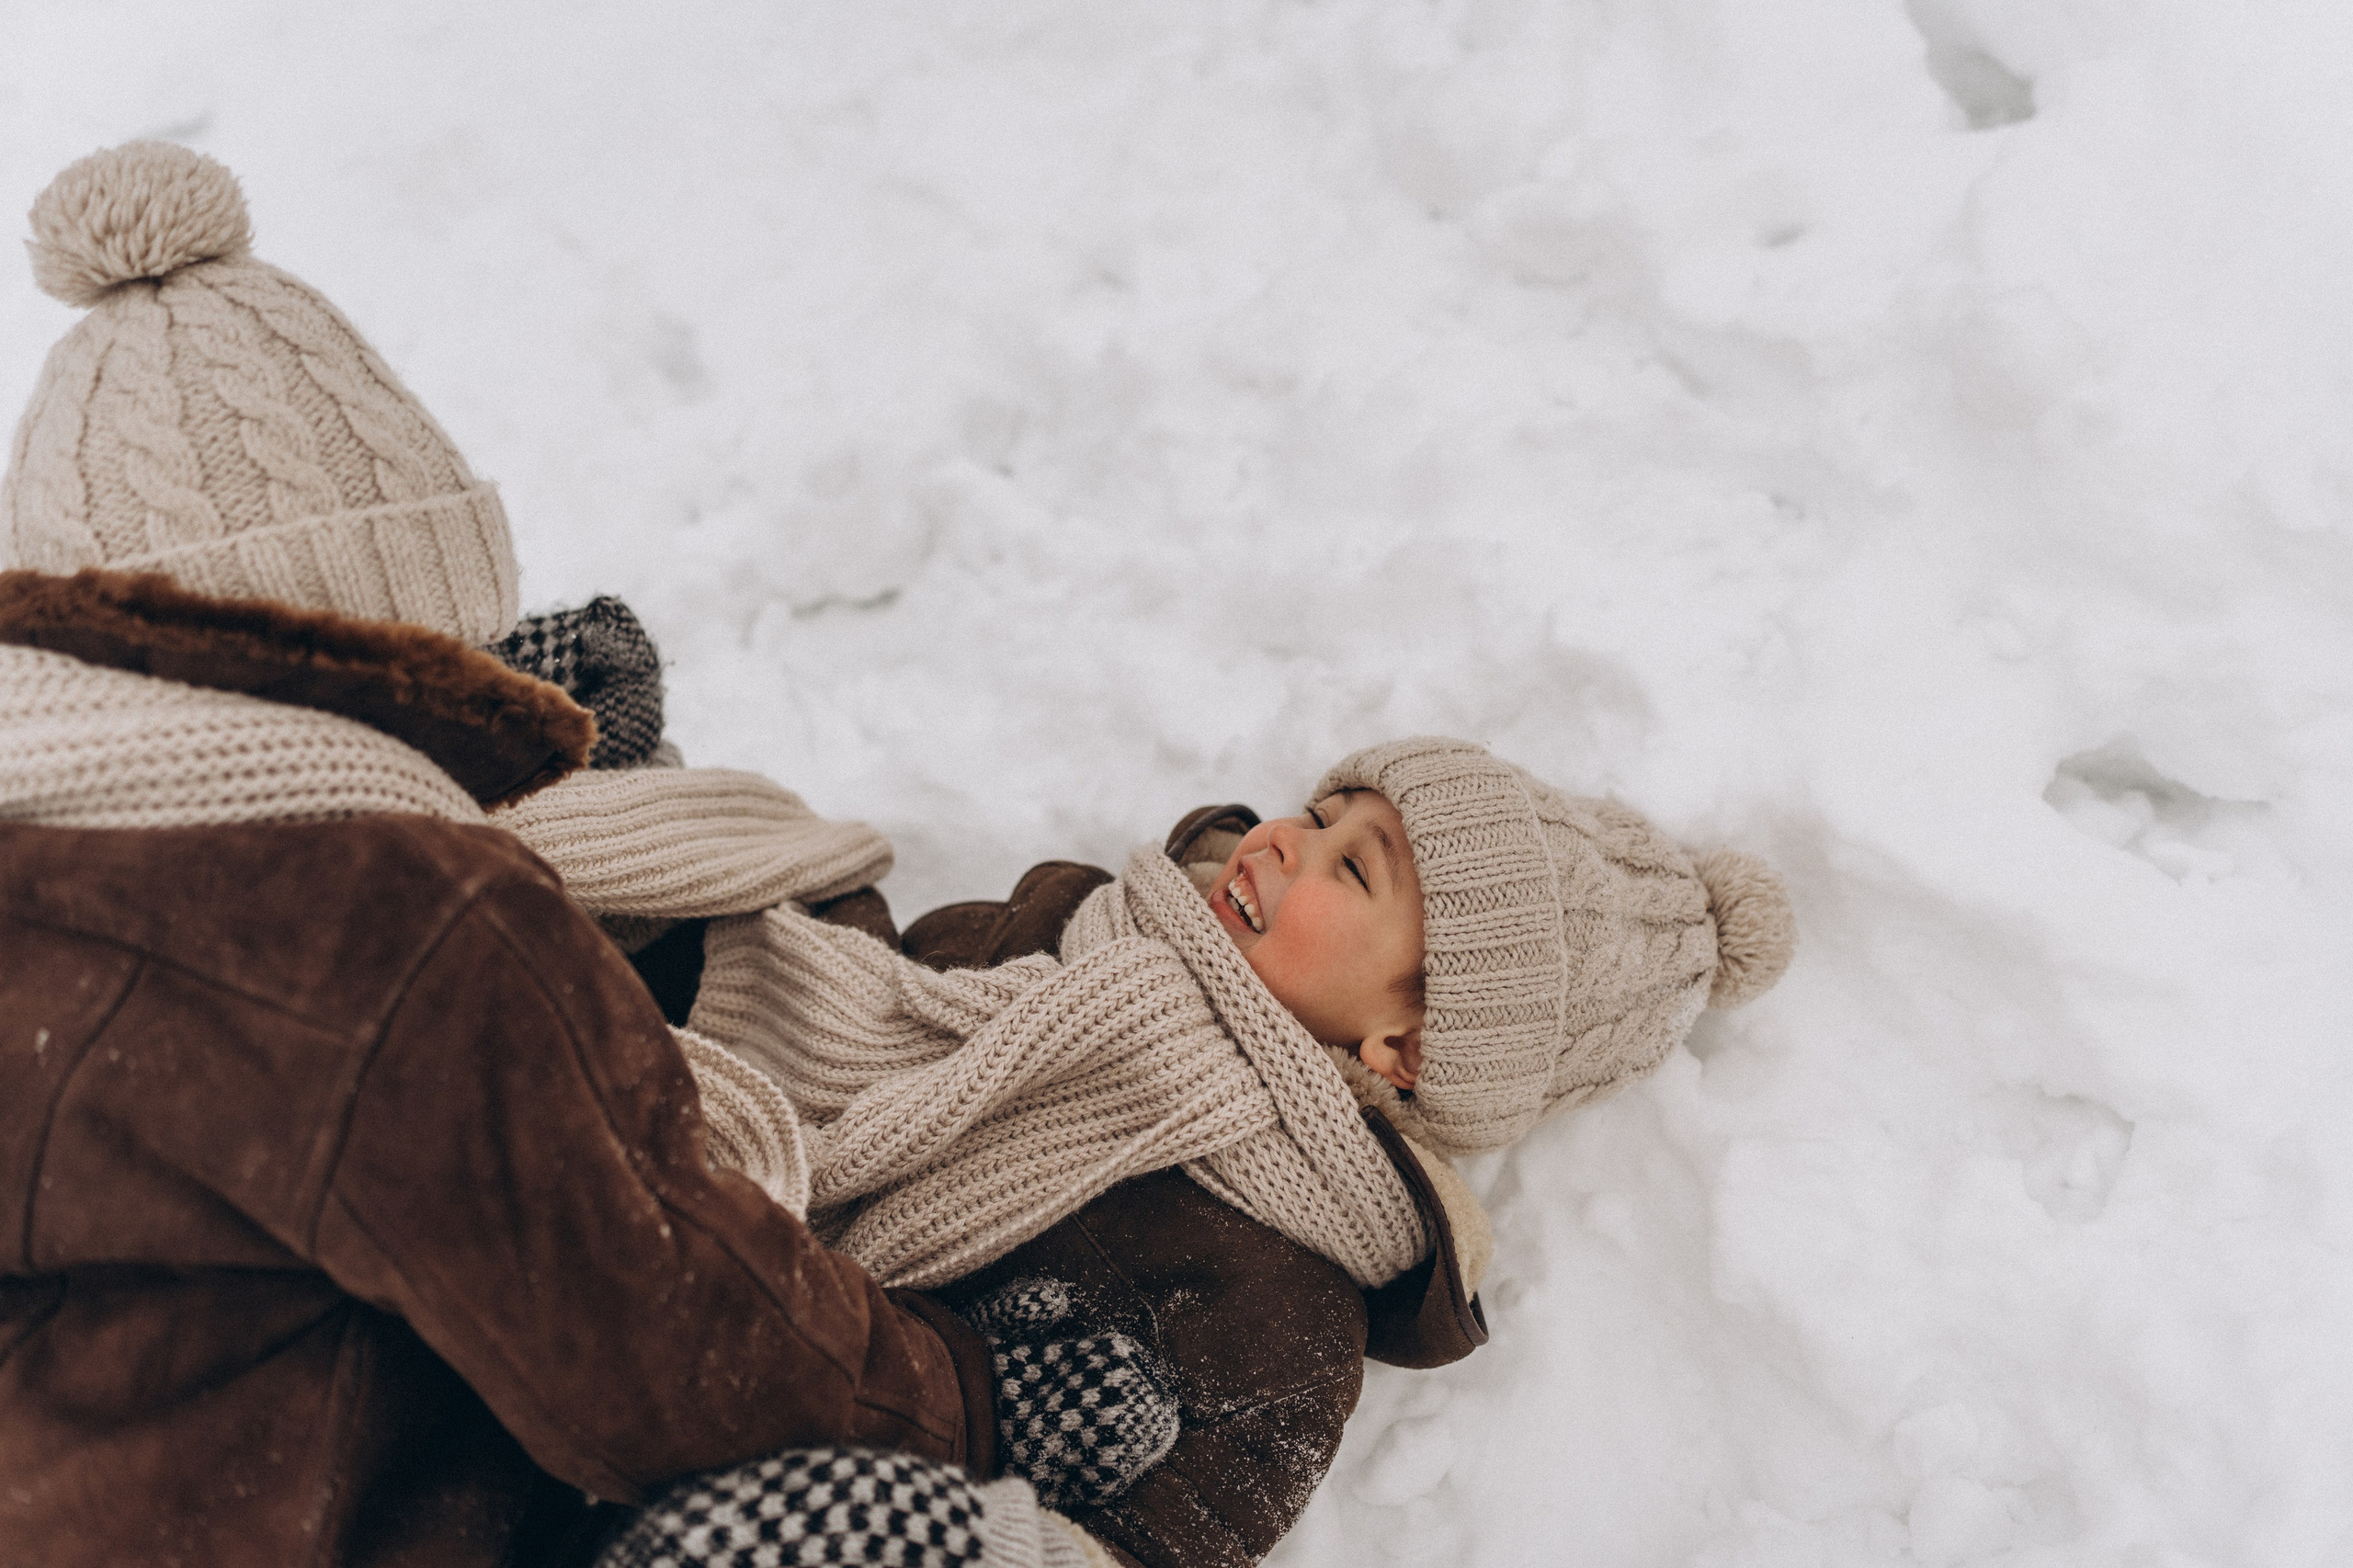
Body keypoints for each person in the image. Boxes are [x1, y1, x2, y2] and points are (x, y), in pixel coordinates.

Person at [0, 142, 1170, 1568]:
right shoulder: (393, 920)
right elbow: (659, 1307)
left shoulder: (50, 853)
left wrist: (501, 749)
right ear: (388, 625)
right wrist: (969, 1399)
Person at [615, 725, 1799, 1566]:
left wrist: (1009, 1438)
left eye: (1352, 866)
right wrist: (688, 862)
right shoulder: (1062, 928)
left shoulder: (1280, 1305)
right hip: (657, 1191)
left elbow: (1149, 1546)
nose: (1286, 836)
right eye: (1320, 812)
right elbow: (849, 1011)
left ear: (1404, 1047)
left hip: (752, 1422)